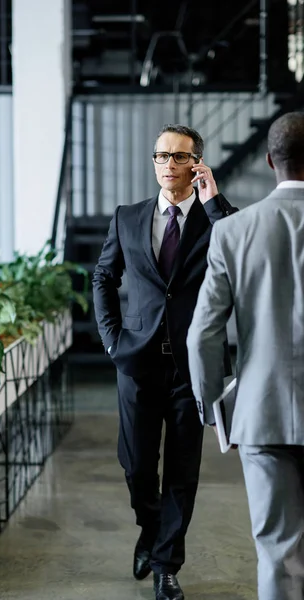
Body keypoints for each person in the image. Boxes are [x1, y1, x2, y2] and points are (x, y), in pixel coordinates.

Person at [92, 124, 237, 600]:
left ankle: (166, 565)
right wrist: (113, 340)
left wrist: (214, 201)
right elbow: (103, 278)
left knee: (181, 470)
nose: (168, 165)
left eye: (179, 157)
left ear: (197, 163)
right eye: (161, 156)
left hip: (191, 367)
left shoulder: (217, 220)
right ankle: (151, 528)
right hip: (136, 361)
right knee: (136, 465)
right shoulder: (127, 217)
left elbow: (240, 254)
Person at [187, 111, 304, 600]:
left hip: (263, 414)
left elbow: (201, 336)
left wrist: (215, 408)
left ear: (268, 159)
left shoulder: (232, 233)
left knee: (277, 553)